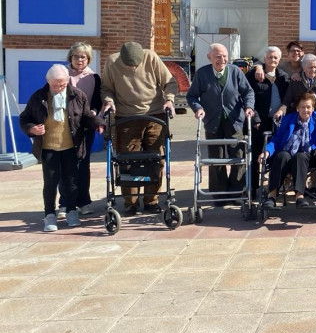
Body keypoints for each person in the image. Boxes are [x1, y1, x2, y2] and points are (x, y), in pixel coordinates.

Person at [21, 65, 104, 232]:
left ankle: (71, 211)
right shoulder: (38, 97)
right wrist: (31, 129)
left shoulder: (77, 95)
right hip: (48, 147)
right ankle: (50, 215)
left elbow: (87, 115)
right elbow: (25, 117)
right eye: (55, 85)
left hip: (71, 146)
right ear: (48, 81)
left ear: (67, 81)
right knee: (50, 183)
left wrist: (97, 124)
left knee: (71, 182)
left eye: (62, 84)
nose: (59, 88)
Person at [101, 42, 178, 216]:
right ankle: (131, 203)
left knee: (156, 158)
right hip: (126, 117)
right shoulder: (112, 62)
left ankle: (152, 200)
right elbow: (106, 89)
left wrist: (169, 100)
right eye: (130, 65)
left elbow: (169, 82)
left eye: (136, 64)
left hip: (155, 114)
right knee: (127, 160)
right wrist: (109, 101)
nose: (133, 67)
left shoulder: (151, 57)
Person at [186, 43, 256, 201]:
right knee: (216, 159)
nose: (222, 59)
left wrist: (249, 107)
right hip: (212, 122)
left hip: (234, 122)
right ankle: (218, 194)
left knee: (238, 157)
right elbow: (191, 96)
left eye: (225, 56)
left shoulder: (235, 72)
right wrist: (198, 108)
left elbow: (248, 92)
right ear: (209, 57)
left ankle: (237, 192)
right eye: (218, 56)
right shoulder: (202, 74)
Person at [260, 92, 316, 209]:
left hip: (309, 157)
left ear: (313, 108)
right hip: (287, 156)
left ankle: (299, 196)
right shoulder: (288, 119)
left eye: (308, 107)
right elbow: (276, 139)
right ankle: (272, 196)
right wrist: (267, 151)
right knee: (281, 155)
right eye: (302, 107)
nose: (305, 110)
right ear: (297, 108)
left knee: (300, 156)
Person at [246, 46, 290, 196]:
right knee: (255, 156)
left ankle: (273, 187)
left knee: (274, 155)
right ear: (265, 58)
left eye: (276, 58)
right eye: (270, 57)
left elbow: (288, 100)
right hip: (258, 122)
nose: (273, 60)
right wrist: (255, 118)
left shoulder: (283, 77)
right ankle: (252, 188)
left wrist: (282, 112)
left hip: (277, 123)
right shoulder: (254, 75)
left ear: (279, 60)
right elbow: (248, 97)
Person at [67, 42, 102, 216]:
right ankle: (65, 203)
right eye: (76, 56)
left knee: (83, 163)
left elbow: (97, 102)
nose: (79, 60)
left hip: (85, 127)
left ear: (88, 59)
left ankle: (84, 201)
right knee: (65, 164)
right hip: (65, 127)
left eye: (83, 57)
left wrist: (92, 115)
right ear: (70, 58)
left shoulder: (94, 78)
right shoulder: (62, 75)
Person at [276, 54, 316, 119]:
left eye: (315, 67)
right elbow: (287, 101)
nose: (313, 70)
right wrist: (280, 111)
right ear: (304, 68)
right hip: (298, 117)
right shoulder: (296, 81)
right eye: (310, 67)